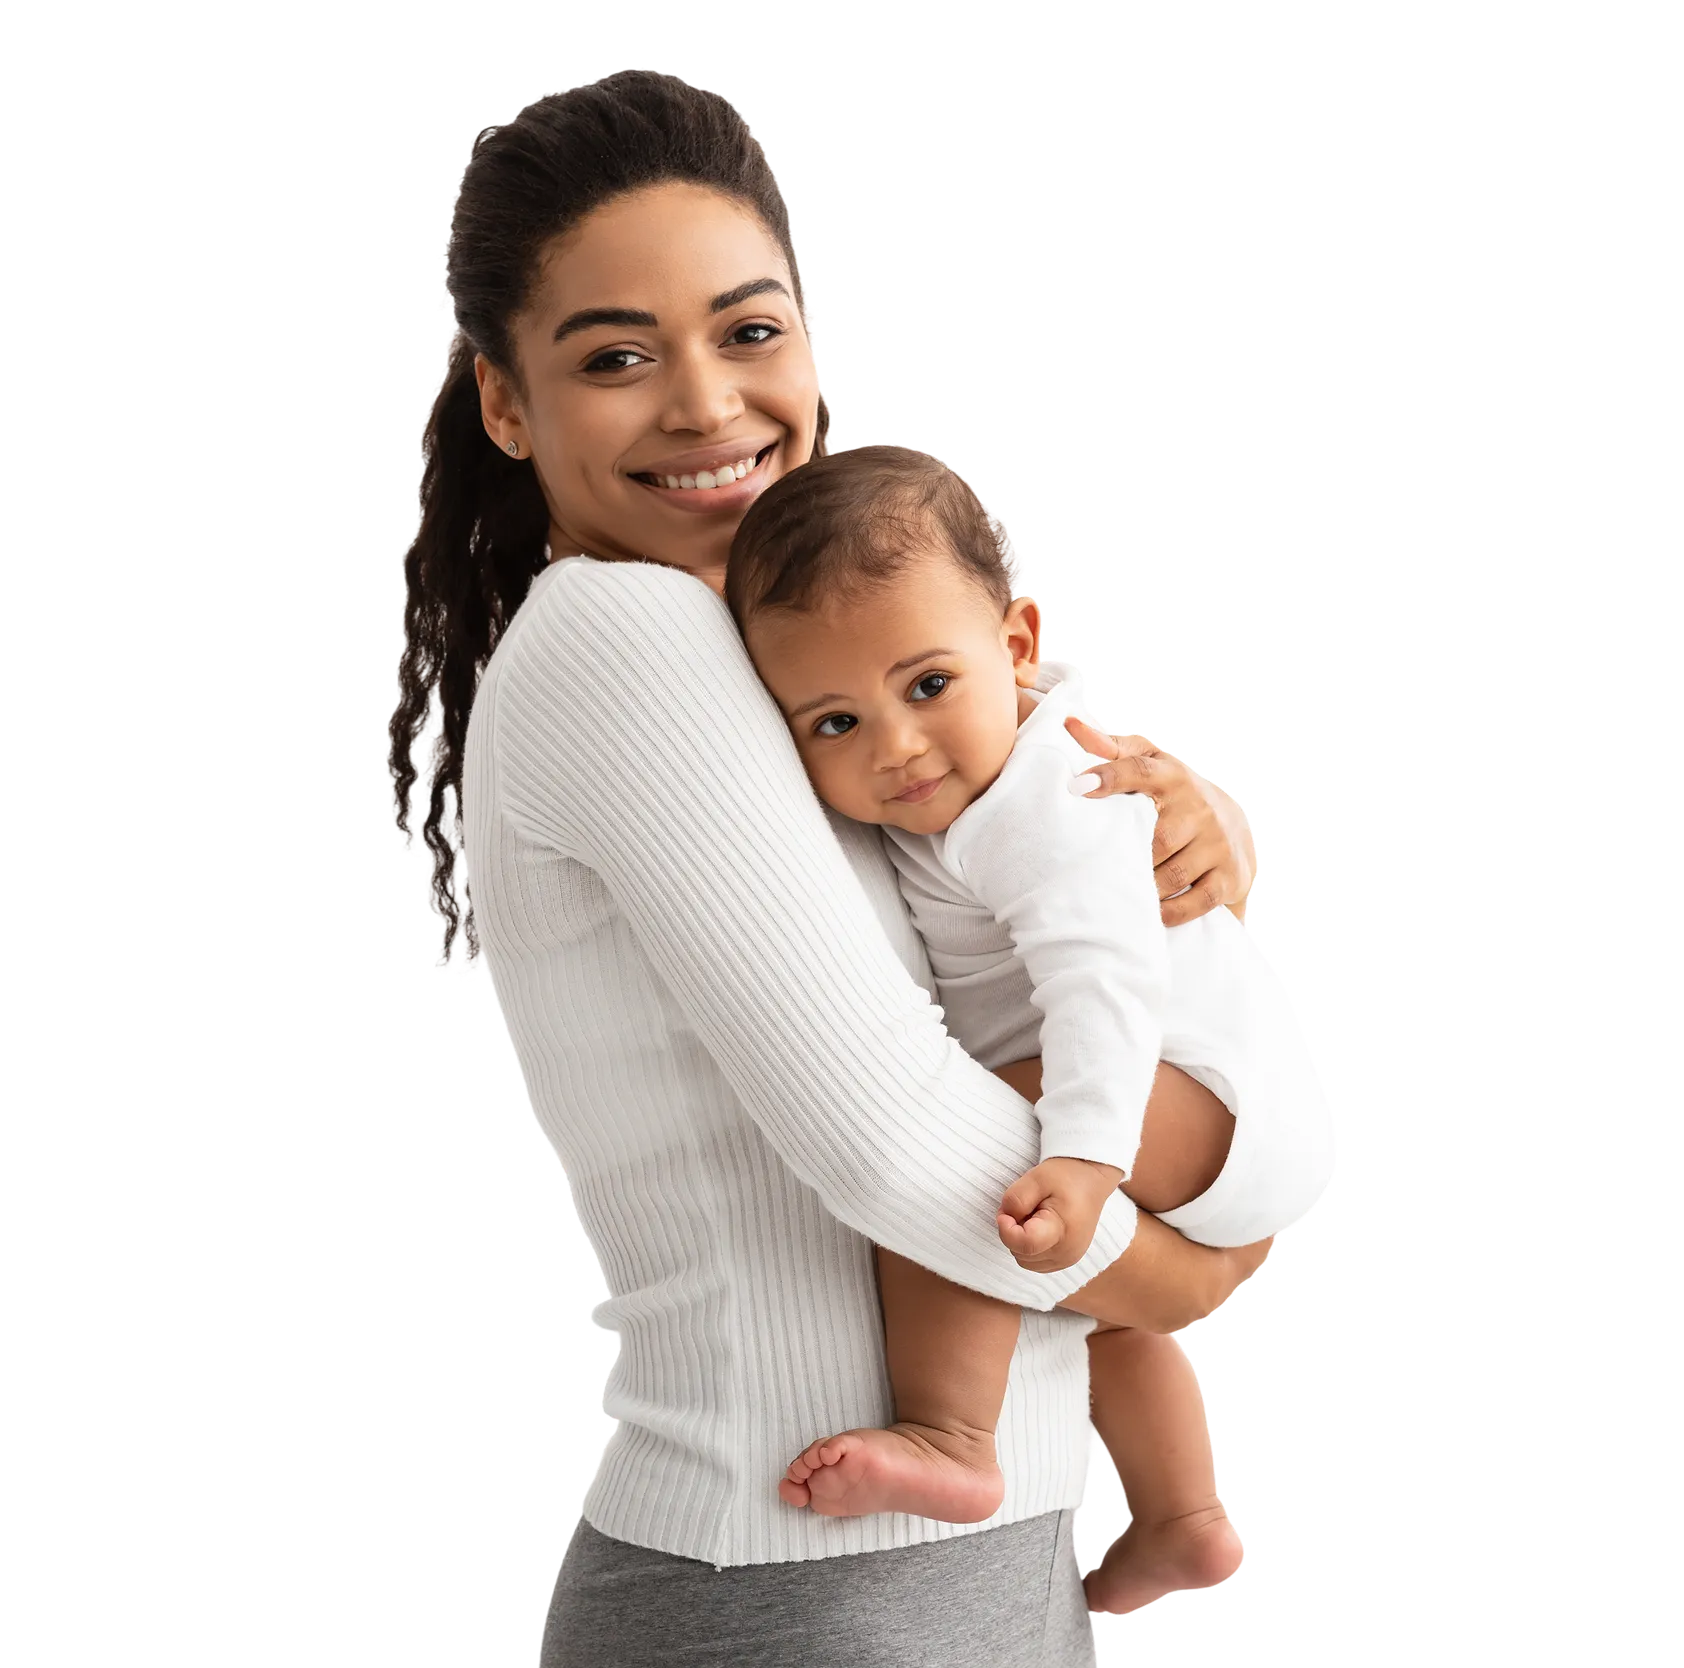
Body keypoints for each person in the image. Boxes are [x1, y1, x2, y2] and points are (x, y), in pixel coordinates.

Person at [388, 69, 1272, 1667]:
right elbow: (893, 1144)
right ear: (506, 405)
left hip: (942, 1570)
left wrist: (1173, 819)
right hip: (801, 1584)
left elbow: (999, 891)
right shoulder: (624, 634)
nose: (709, 407)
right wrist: (1191, 1273)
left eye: (749, 331)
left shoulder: (796, 658)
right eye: (613, 358)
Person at [724, 442, 1341, 1617]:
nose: (893, 750)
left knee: (949, 1166)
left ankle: (952, 1431)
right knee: (1100, 1322)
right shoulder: (997, 766)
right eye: (833, 721)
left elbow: (1100, 980)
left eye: (925, 688)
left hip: (1189, 1086)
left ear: (1015, 646)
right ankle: (1180, 1517)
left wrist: (1085, 1153)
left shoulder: (1045, 799)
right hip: (1213, 1103)